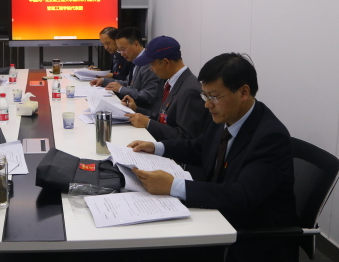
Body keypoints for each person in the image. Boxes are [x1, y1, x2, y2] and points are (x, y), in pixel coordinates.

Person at [128, 53, 297, 261]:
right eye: (205, 96)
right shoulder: (225, 117)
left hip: (250, 238)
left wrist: (172, 186)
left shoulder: (270, 137)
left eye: (214, 97)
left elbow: (240, 196)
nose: (208, 105)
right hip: (218, 216)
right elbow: (199, 147)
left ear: (244, 92)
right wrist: (157, 147)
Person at [122, 35, 208, 141]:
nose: (151, 69)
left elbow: (186, 138)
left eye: (152, 64)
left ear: (166, 62)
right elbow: (165, 118)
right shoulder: (172, 82)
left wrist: (149, 124)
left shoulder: (190, 91)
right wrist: (136, 109)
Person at [90, 27, 161, 114]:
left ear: (136, 44)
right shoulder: (136, 60)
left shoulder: (148, 64)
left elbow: (148, 96)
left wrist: (121, 89)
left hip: (143, 113)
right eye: (119, 50)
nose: (122, 54)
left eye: (123, 49)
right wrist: (104, 81)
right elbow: (128, 83)